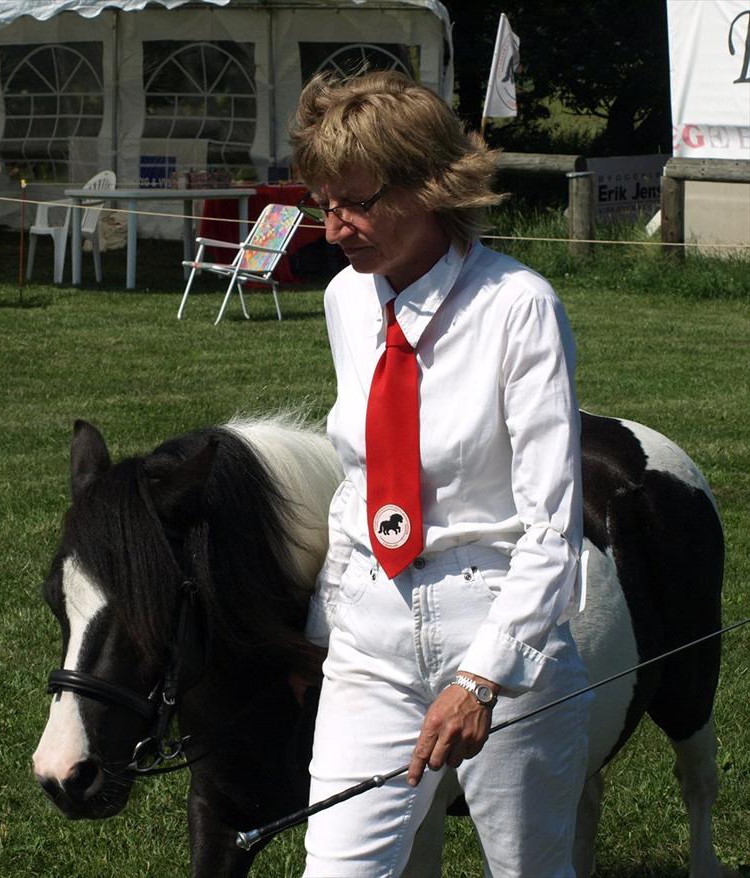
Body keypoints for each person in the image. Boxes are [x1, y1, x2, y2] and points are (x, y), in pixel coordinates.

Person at [291, 71, 590, 877]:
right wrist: (324, 629)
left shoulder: (518, 307)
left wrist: (484, 678)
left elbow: (553, 525)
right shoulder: (346, 302)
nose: (334, 228)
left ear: (430, 187)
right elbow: (363, 478)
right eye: (324, 203)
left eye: (353, 202)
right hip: (371, 636)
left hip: (499, 630)